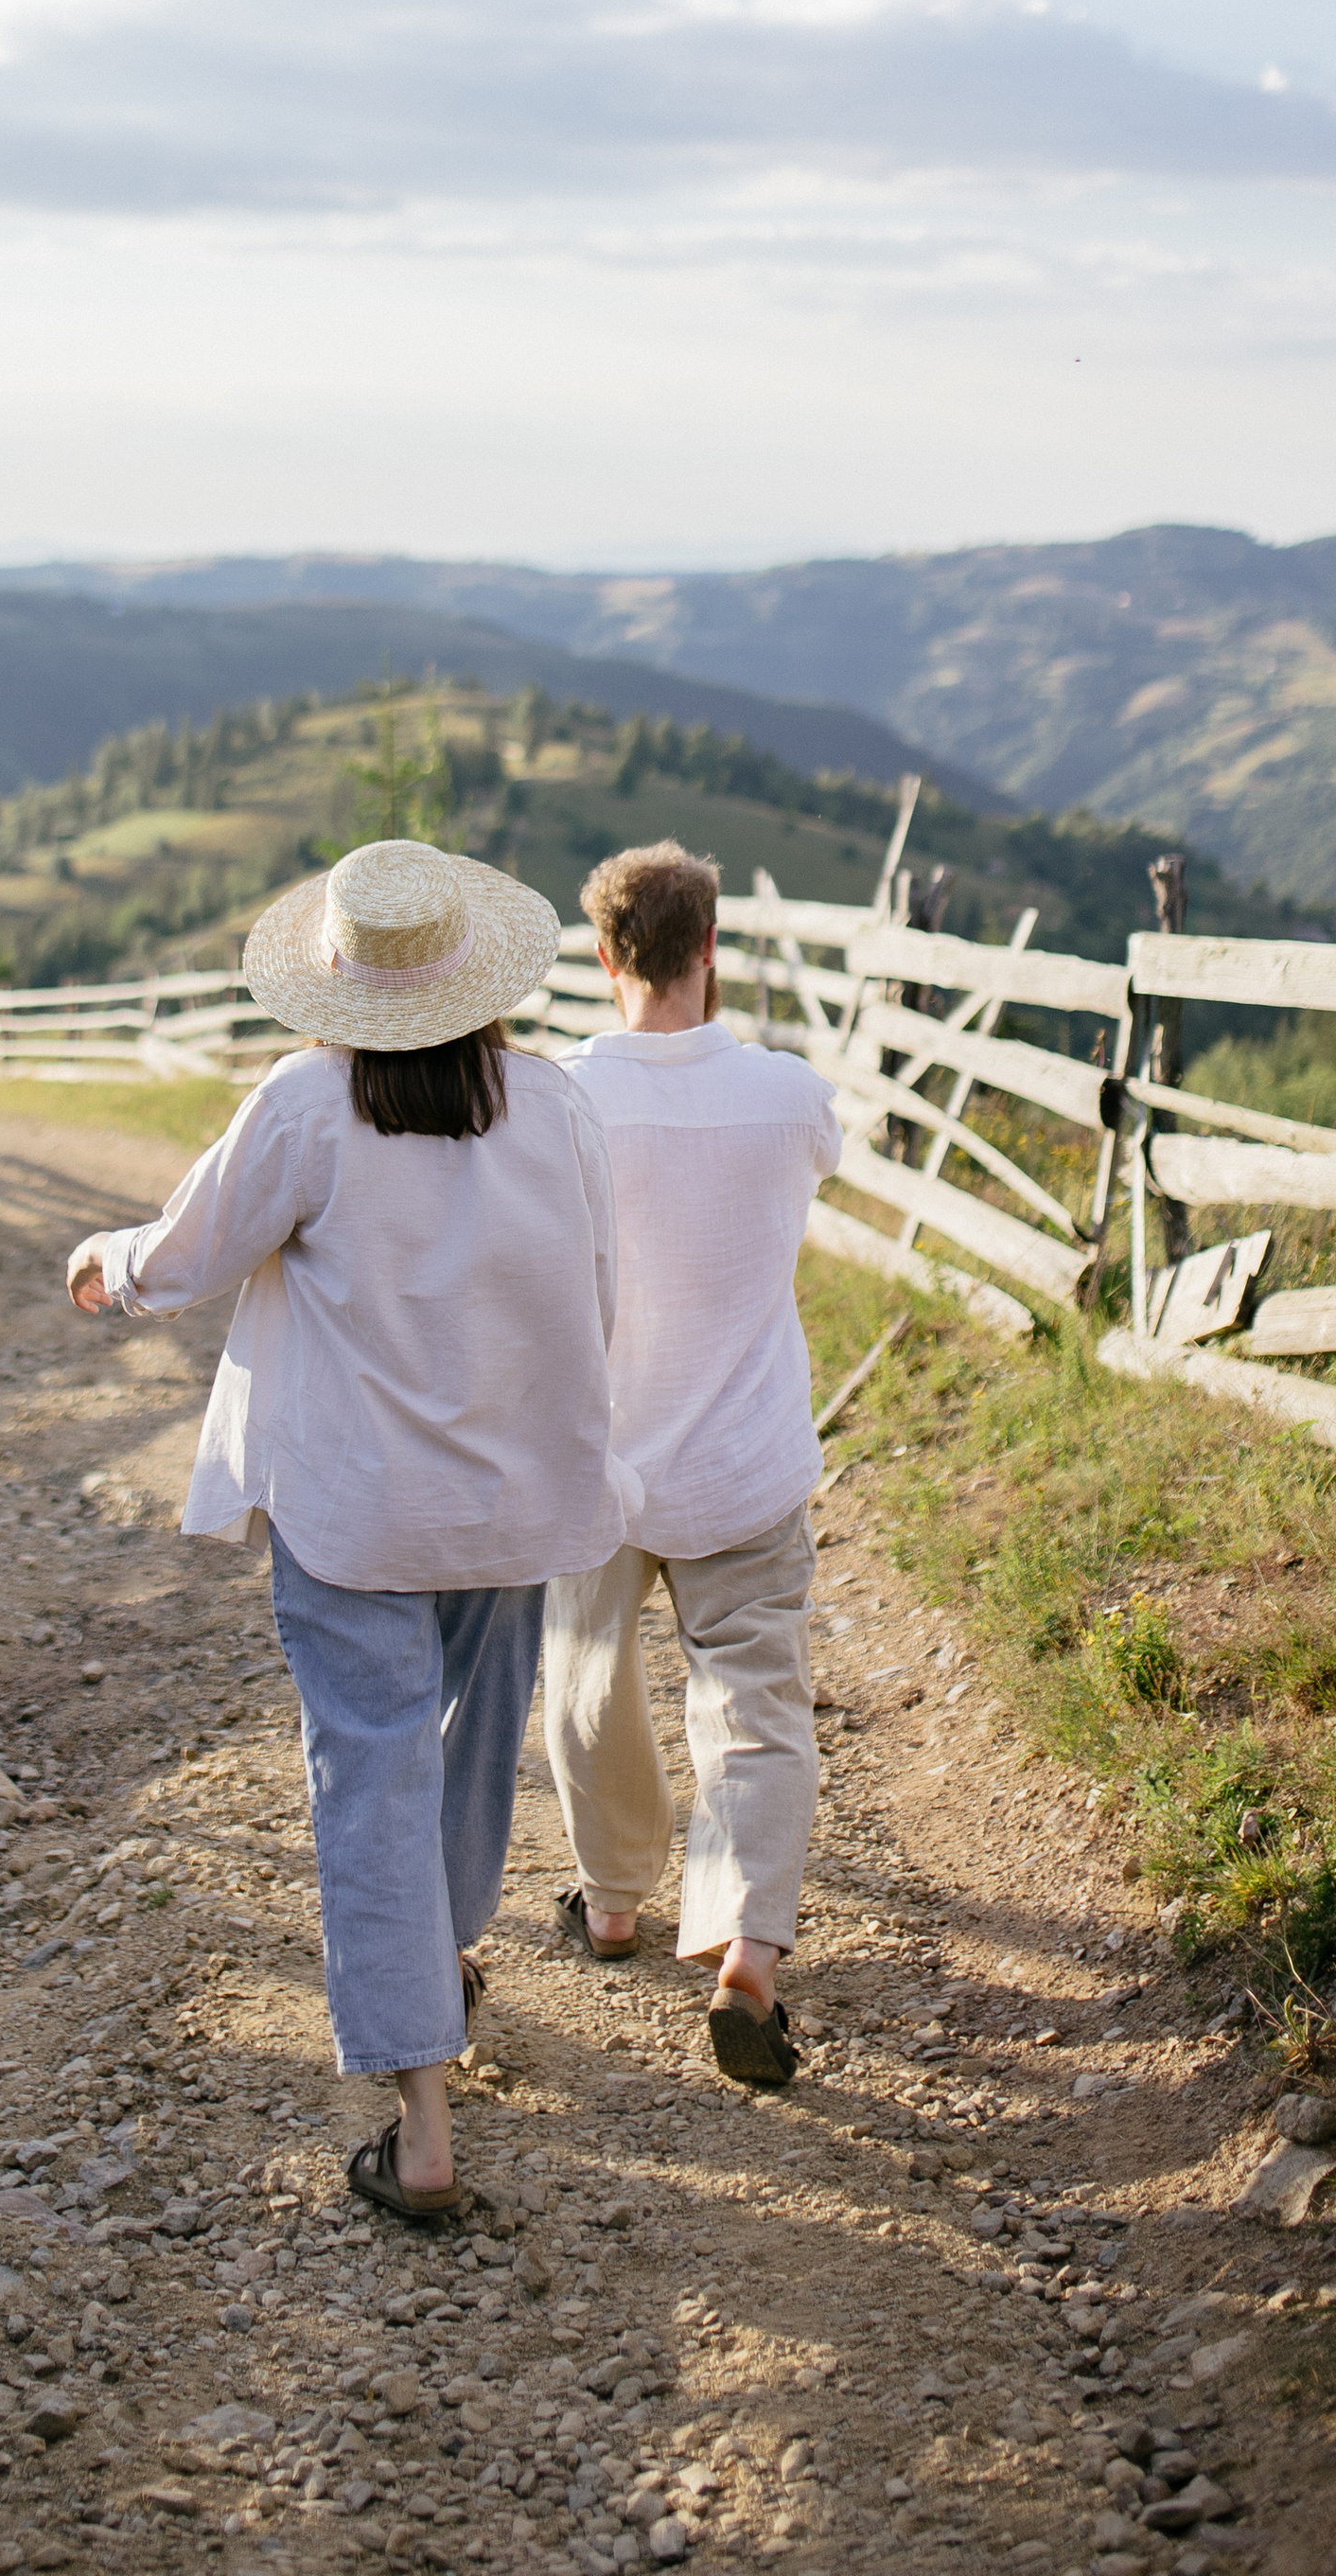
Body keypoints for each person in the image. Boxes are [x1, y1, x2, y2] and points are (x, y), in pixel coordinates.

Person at [63, 836, 632, 2222]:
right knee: (474, 1743)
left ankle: (423, 2117)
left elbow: (192, 1254)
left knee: (368, 1774)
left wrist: (109, 1266)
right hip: (504, 1501)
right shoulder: (553, 1108)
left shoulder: (310, 1107)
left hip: (356, 1508)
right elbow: (598, 1294)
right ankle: (437, 1964)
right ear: (482, 976)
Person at [540, 839, 841, 2088]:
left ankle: (614, 1904)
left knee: (587, 1677)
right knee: (756, 1709)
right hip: (746, 1459)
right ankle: (745, 1956)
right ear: (712, 948)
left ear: (604, 955)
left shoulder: (555, 1098)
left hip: (595, 1455)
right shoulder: (790, 1093)